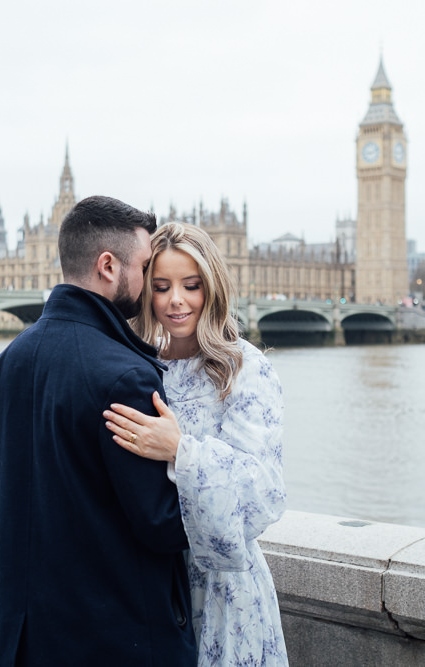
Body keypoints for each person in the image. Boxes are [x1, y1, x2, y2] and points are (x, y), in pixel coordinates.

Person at [0, 196, 196, 666]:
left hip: (24, 646)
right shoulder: (126, 376)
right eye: (143, 267)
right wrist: (190, 456)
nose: (147, 284)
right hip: (118, 645)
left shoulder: (2, 369)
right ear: (108, 266)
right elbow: (162, 525)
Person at [103, 222, 288, 666]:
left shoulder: (243, 367)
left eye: (191, 285)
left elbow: (263, 493)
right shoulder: (138, 367)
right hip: (150, 586)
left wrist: (181, 450)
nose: (175, 301)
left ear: (213, 287)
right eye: (162, 286)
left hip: (224, 589)